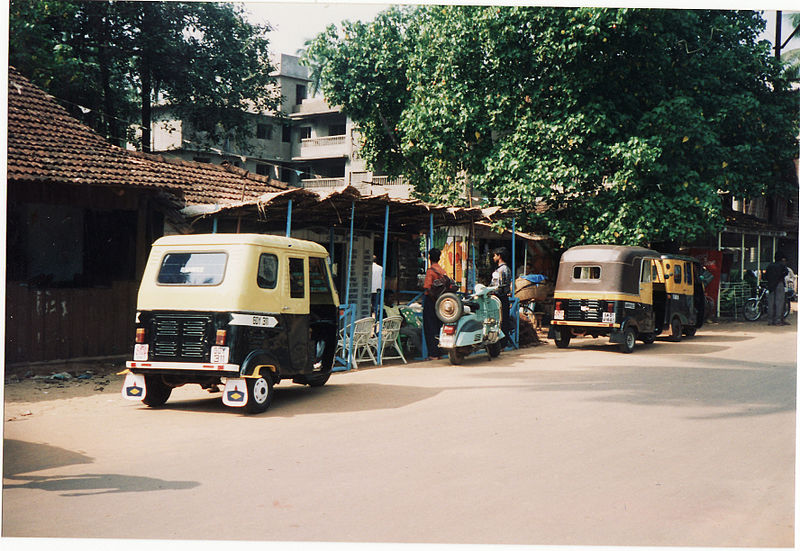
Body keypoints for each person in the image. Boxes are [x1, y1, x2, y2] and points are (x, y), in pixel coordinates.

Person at [422, 248, 446, 359]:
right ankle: (440, 351)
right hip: (440, 301)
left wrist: (434, 299)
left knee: (430, 327)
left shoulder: (431, 271)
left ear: (429, 257)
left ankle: (433, 354)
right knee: (439, 326)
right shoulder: (442, 271)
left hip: (431, 301)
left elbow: (427, 287)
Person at [491, 246, 513, 345]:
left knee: (500, 320)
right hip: (504, 298)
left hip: (499, 298)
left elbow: (498, 286)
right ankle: (503, 343)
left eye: (494, 255)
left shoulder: (500, 270)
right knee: (504, 320)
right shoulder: (507, 269)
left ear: (499, 256)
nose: (493, 258)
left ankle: (501, 343)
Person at [765, 253, 789, 326]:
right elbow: (786, 272)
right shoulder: (782, 265)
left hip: (770, 285)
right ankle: (778, 321)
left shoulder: (770, 265)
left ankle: (770, 320)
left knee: (771, 303)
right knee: (779, 303)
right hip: (779, 284)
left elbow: (765, 275)